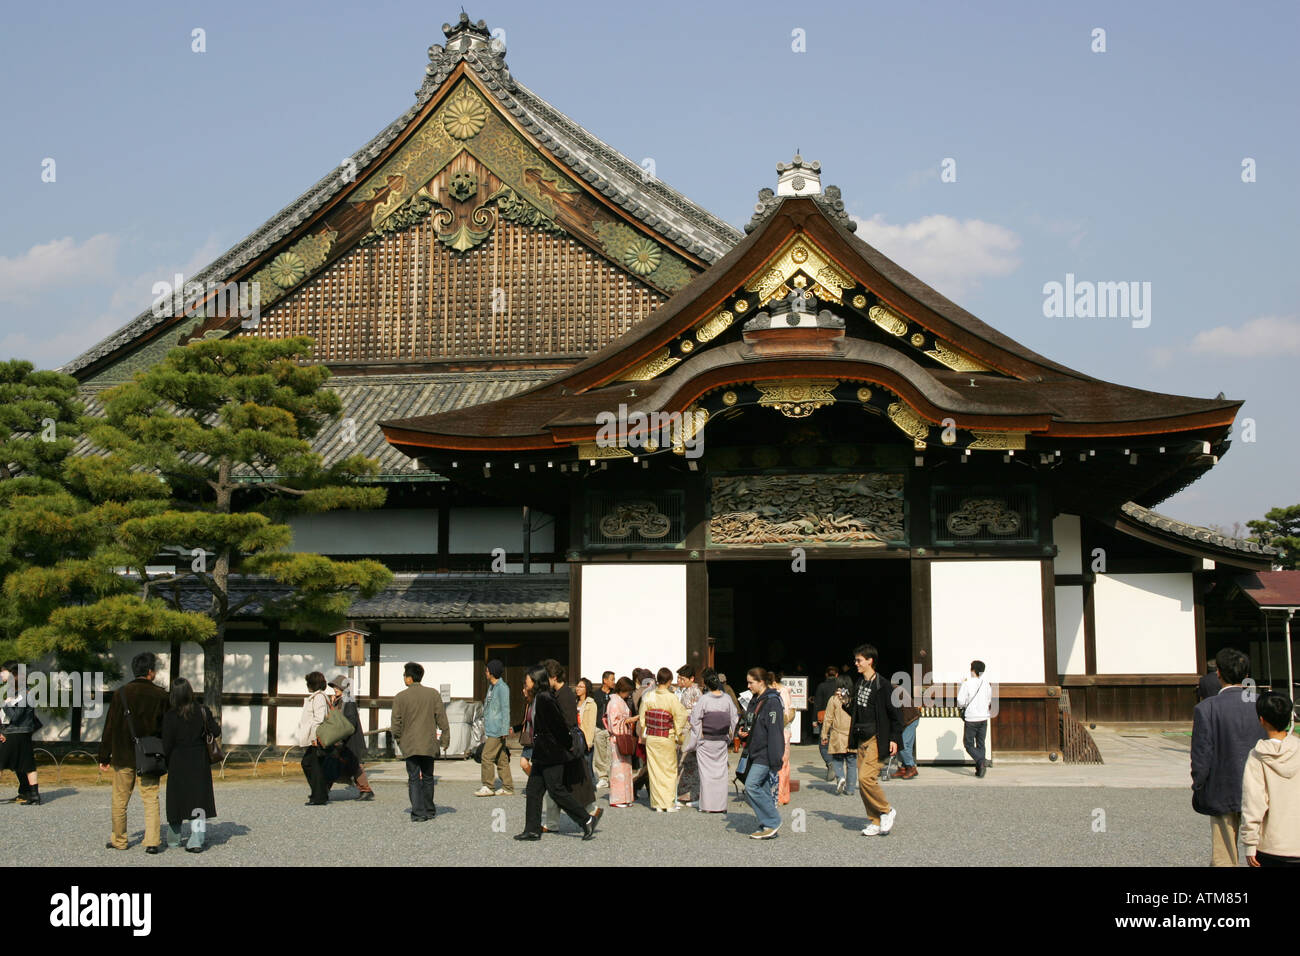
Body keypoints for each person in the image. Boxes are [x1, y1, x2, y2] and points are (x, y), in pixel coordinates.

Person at [1191, 648, 1267, 866]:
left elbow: (1202, 754)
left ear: (1219, 674)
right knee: (1261, 849)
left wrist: (1199, 783)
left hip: (1221, 785)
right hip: (1261, 786)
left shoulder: (1206, 708)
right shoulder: (1262, 704)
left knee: (1224, 854)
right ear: (1246, 676)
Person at [515, 665, 598, 841]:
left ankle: (587, 819)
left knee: (556, 790)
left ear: (536, 680)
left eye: (528, 679)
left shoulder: (545, 699)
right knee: (533, 790)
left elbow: (559, 726)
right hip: (542, 753)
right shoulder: (537, 698)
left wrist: (568, 745)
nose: (526, 682)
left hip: (552, 753)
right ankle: (532, 829)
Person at [98, 652, 170, 853]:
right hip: (149, 755)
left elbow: (109, 727)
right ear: (150, 672)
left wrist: (104, 755)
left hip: (123, 754)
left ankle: (119, 840)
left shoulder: (121, 694)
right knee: (150, 797)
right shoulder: (162, 696)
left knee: (120, 799)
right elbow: (166, 729)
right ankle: (152, 841)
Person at [539, 660, 599, 831]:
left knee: (562, 786)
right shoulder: (559, 693)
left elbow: (568, 722)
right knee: (560, 786)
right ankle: (554, 823)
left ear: (554, 677)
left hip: (564, 747)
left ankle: (590, 812)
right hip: (561, 747)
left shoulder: (564, 695)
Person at [848, 643, 902, 837]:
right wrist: (846, 702)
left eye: (859, 660)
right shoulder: (860, 683)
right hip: (861, 737)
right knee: (863, 784)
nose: (856, 664)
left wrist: (894, 738)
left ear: (870, 661)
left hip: (877, 738)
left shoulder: (883, 685)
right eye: (856, 660)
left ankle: (887, 810)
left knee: (866, 778)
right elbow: (857, 711)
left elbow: (896, 714)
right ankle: (875, 820)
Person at [1241, 691, 1299, 867]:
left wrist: (1250, 844)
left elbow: (1254, 802)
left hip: (1270, 845)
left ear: (1262, 720)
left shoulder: (1258, 755)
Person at [161, 677, 217, 853]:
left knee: (176, 799)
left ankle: (173, 839)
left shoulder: (170, 716)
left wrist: (166, 761)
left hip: (178, 760)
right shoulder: (202, 711)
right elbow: (216, 731)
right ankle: (196, 840)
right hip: (199, 759)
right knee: (198, 801)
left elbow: (166, 743)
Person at [391, 662, 450, 822]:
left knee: (414, 777)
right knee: (428, 776)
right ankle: (429, 809)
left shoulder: (400, 697)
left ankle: (418, 812)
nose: (404, 678)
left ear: (409, 678)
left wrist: (398, 739)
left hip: (409, 743)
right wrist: (445, 738)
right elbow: (441, 718)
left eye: (404, 675)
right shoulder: (433, 694)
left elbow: (396, 723)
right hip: (429, 742)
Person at [685, 668, 738, 813]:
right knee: (721, 773)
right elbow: (734, 718)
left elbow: (695, 720)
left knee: (706, 774)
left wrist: (698, 738)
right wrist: (730, 737)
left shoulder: (704, 699)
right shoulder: (727, 698)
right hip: (721, 740)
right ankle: (721, 806)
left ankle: (707, 806)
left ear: (707, 685)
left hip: (706, 740)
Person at [740, 667, 784, 838]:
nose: (748, 686)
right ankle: (767, 825)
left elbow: (775, 732)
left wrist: (776, 759)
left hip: (765, 752)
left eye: (751, 682)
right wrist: (742, 732)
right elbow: (749, 722)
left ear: (761, 682)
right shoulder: (755, 699)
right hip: (753, 749)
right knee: (762, 789)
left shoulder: (772, 701)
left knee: (751, 786)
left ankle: (772, 821)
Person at [638, 667, 689, 811]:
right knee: (669, 770)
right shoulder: (671, 697)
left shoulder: (649, 696)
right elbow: (681, 715)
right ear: (669, 681)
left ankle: (657, 804)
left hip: (653, 736)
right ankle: (667, 803)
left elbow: (642, 718)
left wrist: (645, 728)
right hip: (666, 735)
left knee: (654, 770)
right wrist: (678, 732)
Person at [0, 661, 41, 805]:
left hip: (16, 733)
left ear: (13, 674)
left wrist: (5, 705)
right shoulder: (17, 692)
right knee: (24, 764)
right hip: (17, 732)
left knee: (23, 764)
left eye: (3, 671)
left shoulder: (24, 693)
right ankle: (30, 794)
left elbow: (16, 717)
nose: (1, 674)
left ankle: (31, 794)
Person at [328, 675, 374, 800]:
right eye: (334, 687)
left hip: (349, 740)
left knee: (354, 766)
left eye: (336, 687)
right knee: (334, 764)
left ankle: (366, 790)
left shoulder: (348, 701)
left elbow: (351, 722)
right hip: (340, 739)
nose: (335, 689)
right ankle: (322, 790)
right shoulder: (339, 701)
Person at [475, 660, 513, 797]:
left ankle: (488, 786)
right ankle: (508, 787)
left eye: (486, 670)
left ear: (492, 672)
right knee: (501, 758)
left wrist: (504, 730)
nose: (485, 672)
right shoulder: (492, 687)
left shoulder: (502, 688)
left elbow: (505, 709)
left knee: (486, 756)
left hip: (497, 729)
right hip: (492, 728)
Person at [296, 672, 333, 806]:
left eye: (308, 683)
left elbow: (319, 718)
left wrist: (314, 736)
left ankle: (319, 795)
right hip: (316, 736)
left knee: (311, 765)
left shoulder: (318, 697)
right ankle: (320, 793)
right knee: (312, 764)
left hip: (317, 737)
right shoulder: (319, 697)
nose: (307, 686)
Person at [820, 676, 856, 795]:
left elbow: (828, 718)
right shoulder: (853, 699)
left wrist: (824, 734)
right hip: (852, 735)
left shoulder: (834, 699)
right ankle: (850, 789)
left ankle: (840, 777)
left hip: (837, 734)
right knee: (851, 762)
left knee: (837, 760)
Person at [604, 677, 636, 807]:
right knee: (618, 769)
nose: (628, 694)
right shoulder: (614, 703)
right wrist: (629, 720)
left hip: (623, 737)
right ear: (623, 690)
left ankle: (625, 797)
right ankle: (618, 798)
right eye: (628, 691)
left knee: (625, 768)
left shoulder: (619, 701)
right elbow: (614, 724)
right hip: (617, 738)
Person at [957, 661, 992, 777]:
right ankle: (980, 769)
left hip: (971, 718)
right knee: (981, 744)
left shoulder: (966, 684)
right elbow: (989, 700)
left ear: (972, 669)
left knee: (968, 744)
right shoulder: (986, 684)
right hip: (983, 718)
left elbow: (960, 701)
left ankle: (981, 761)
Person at [676, 665, 702, 806]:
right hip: (683, 729)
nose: (680, 680)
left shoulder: (695, 692)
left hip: (691, 729)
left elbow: (696, 712)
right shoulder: (682, 691)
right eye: (679, 678)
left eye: (683, 678)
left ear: (691, 679)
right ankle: (683, 794)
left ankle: (694, 794)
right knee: (682, 762)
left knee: (691, 763)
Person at [768, 670, 794, 805]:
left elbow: (782, 713)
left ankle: (778, 795)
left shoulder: (779, 693)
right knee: (784, 762)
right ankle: (783, 795)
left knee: (779, 762)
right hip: (786, 729)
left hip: (779, 729)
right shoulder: (786, 691)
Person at [812, 665, 840, 783]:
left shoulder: (822, 686)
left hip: (824, 719)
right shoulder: (840, 686)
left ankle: (830, 763)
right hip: (839, 718)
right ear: (837, 675)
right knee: (838, 742)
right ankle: (838, 767)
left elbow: (817, 703)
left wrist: (814, 719)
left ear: (826, 675)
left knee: (823, 744)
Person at [592, 671, 614, 789]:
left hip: (611, 729)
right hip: (599, 728)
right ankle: (602, 777)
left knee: (611, 754)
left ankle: (612, 777)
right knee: (600, 755)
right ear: (605, 680)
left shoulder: (614, 695)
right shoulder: (596, 694)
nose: (613, 682)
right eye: (611, 679)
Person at [891, 700, 922, 780]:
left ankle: (911, 767)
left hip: (910, 719)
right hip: (906, 719)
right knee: (899, 744)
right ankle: (903, 768)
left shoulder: (889, 691)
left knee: (903, 744)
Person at [575, 677, 598, 782]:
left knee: (587, 765)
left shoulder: (591, 704)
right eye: (577, 686)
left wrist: (589, 741)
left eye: (581, 686)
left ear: (586, 689)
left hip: (585, 738)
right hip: (576, 736)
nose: (577, 688)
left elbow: (591, 724)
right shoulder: (575, 702)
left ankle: (591, 786)